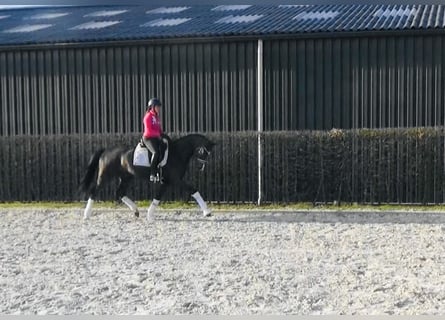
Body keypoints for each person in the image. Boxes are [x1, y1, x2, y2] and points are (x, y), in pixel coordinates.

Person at [142, 97, 164, 183]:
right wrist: (159, 135)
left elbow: (159, 129)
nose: (159, 108)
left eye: (159, 107)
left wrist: (163, 135)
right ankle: (152, 173)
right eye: (157, 107)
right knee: (156, 152)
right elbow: (149, 131)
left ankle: (161, 173)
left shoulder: (157, 117)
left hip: (155, 138)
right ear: (152, 107)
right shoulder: (147, 117)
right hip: (148, 138)